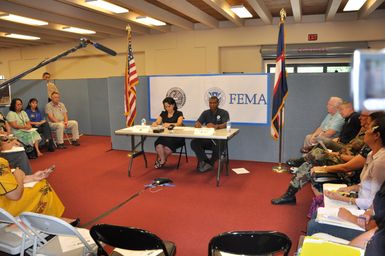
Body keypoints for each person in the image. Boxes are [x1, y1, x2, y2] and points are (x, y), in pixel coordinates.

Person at [272, 112, 385, 205]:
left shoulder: (376, 156)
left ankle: (303, 163)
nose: (366, 130)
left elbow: (348, 167)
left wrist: (324, 168)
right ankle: (289, 194)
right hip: (347, 165)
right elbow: (349, 147)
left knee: (317, 154)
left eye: (369, 127)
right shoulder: (370, 150)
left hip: (349, 176)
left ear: (377, 135)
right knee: (310, 164)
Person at [0, 157, 64, 217]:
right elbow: (14, 195)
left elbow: (6, 184)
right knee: (43, 187)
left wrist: (32, 177)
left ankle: (50, 218)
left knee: (41, 183)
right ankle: (52, 220)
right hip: (3, 210)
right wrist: (18, 175)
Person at [191, 96, 229, 173]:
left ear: (218, 103)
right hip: (208, 139)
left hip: (219, 139)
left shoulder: (224, 112)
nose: (212, 104)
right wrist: (197, 124)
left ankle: (210, 163)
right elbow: (198, 122)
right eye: (210, 103)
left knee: (218, 145)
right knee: (194, 142)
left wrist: (216, 126)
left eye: (214, 103)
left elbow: (226, 124)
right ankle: (204, 161)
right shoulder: (205, 113)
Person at [151, 97, 184, 168]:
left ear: (173, 105)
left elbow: (179, 123)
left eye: (169, 106)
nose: (167, 108)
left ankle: (161, 160)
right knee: (158, 145)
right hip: (165, 135)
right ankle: (163, 160)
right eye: (165, 106)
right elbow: (158, 121)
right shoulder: (163, 113)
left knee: (167, 148)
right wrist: (155, 123)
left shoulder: (179, 113)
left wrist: (169, 124)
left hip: (176, 136)